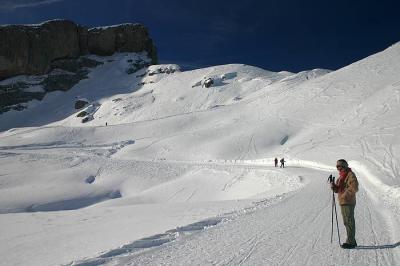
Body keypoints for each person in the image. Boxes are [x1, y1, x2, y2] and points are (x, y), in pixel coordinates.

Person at [331, 159, 359, 249]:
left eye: (341, 166)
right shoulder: (341, 177)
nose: (339, 168)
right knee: (347, 222)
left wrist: (344, 195)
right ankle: (351, 241)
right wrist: (333, 186)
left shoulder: (350, 175)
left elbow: (354, 187)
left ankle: (351, 242)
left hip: (348, 202)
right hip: (343, 202)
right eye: (338, 167)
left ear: (345, 166)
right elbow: (337, 190)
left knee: (349, 222)